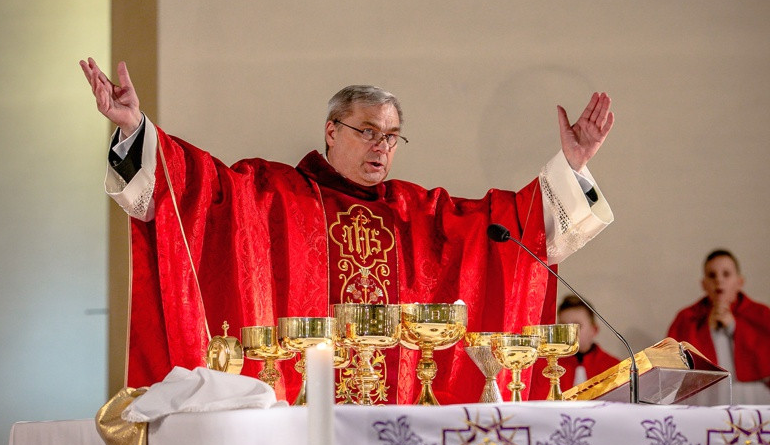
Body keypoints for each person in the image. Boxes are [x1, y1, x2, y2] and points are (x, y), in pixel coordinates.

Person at [80, 57, 615, 404]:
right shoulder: (274, 194)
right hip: (298, 412)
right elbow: (198, 189)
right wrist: (135, 131)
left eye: (393, 136)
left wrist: (571, 167)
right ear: (331, 131)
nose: (382, 146)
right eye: (368, 131)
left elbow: (504, 229)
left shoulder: (417, 212)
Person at [667, 249, 770, 404]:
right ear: (703, 284)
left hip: (752, 397)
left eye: (726, 274)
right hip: (706, 401)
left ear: (740, 281)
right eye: (712, 275)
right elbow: (674, 370)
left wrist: (734, 328)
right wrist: (707, 330)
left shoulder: (761, 314)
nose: (719, 280)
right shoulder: (687, 318)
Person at [529, 294, 619, 399]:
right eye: (563, 326)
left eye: (577, 326)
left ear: (594, 330)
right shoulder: (544, 368)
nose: (568, 333)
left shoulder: (614, 367)